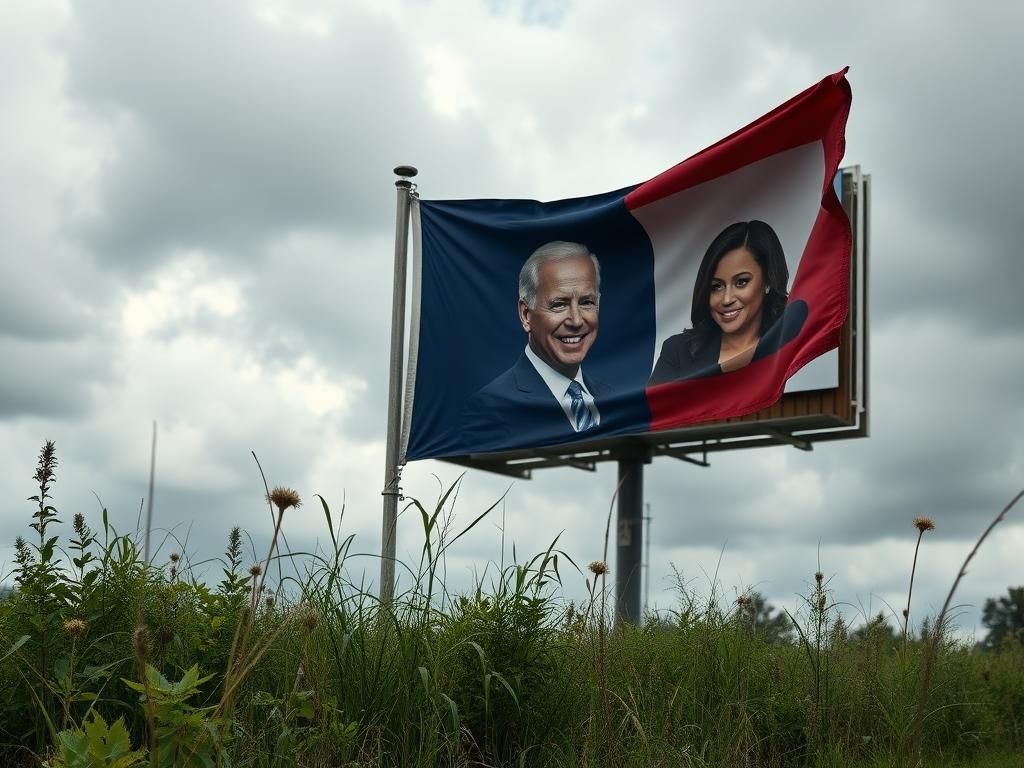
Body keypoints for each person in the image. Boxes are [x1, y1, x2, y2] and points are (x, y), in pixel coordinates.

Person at [461, 241, 611, 451]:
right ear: (526, 314)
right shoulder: (491, 408)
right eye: (559, 304)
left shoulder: (613, 399)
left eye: (587, 302)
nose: (576, 321)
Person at [648, 220, 807, 385]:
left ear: (767, 281)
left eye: (741, 282)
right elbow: (651, 410)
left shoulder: (790, 346)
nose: (726, 299)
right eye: (716, 286)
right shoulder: (678, 351)